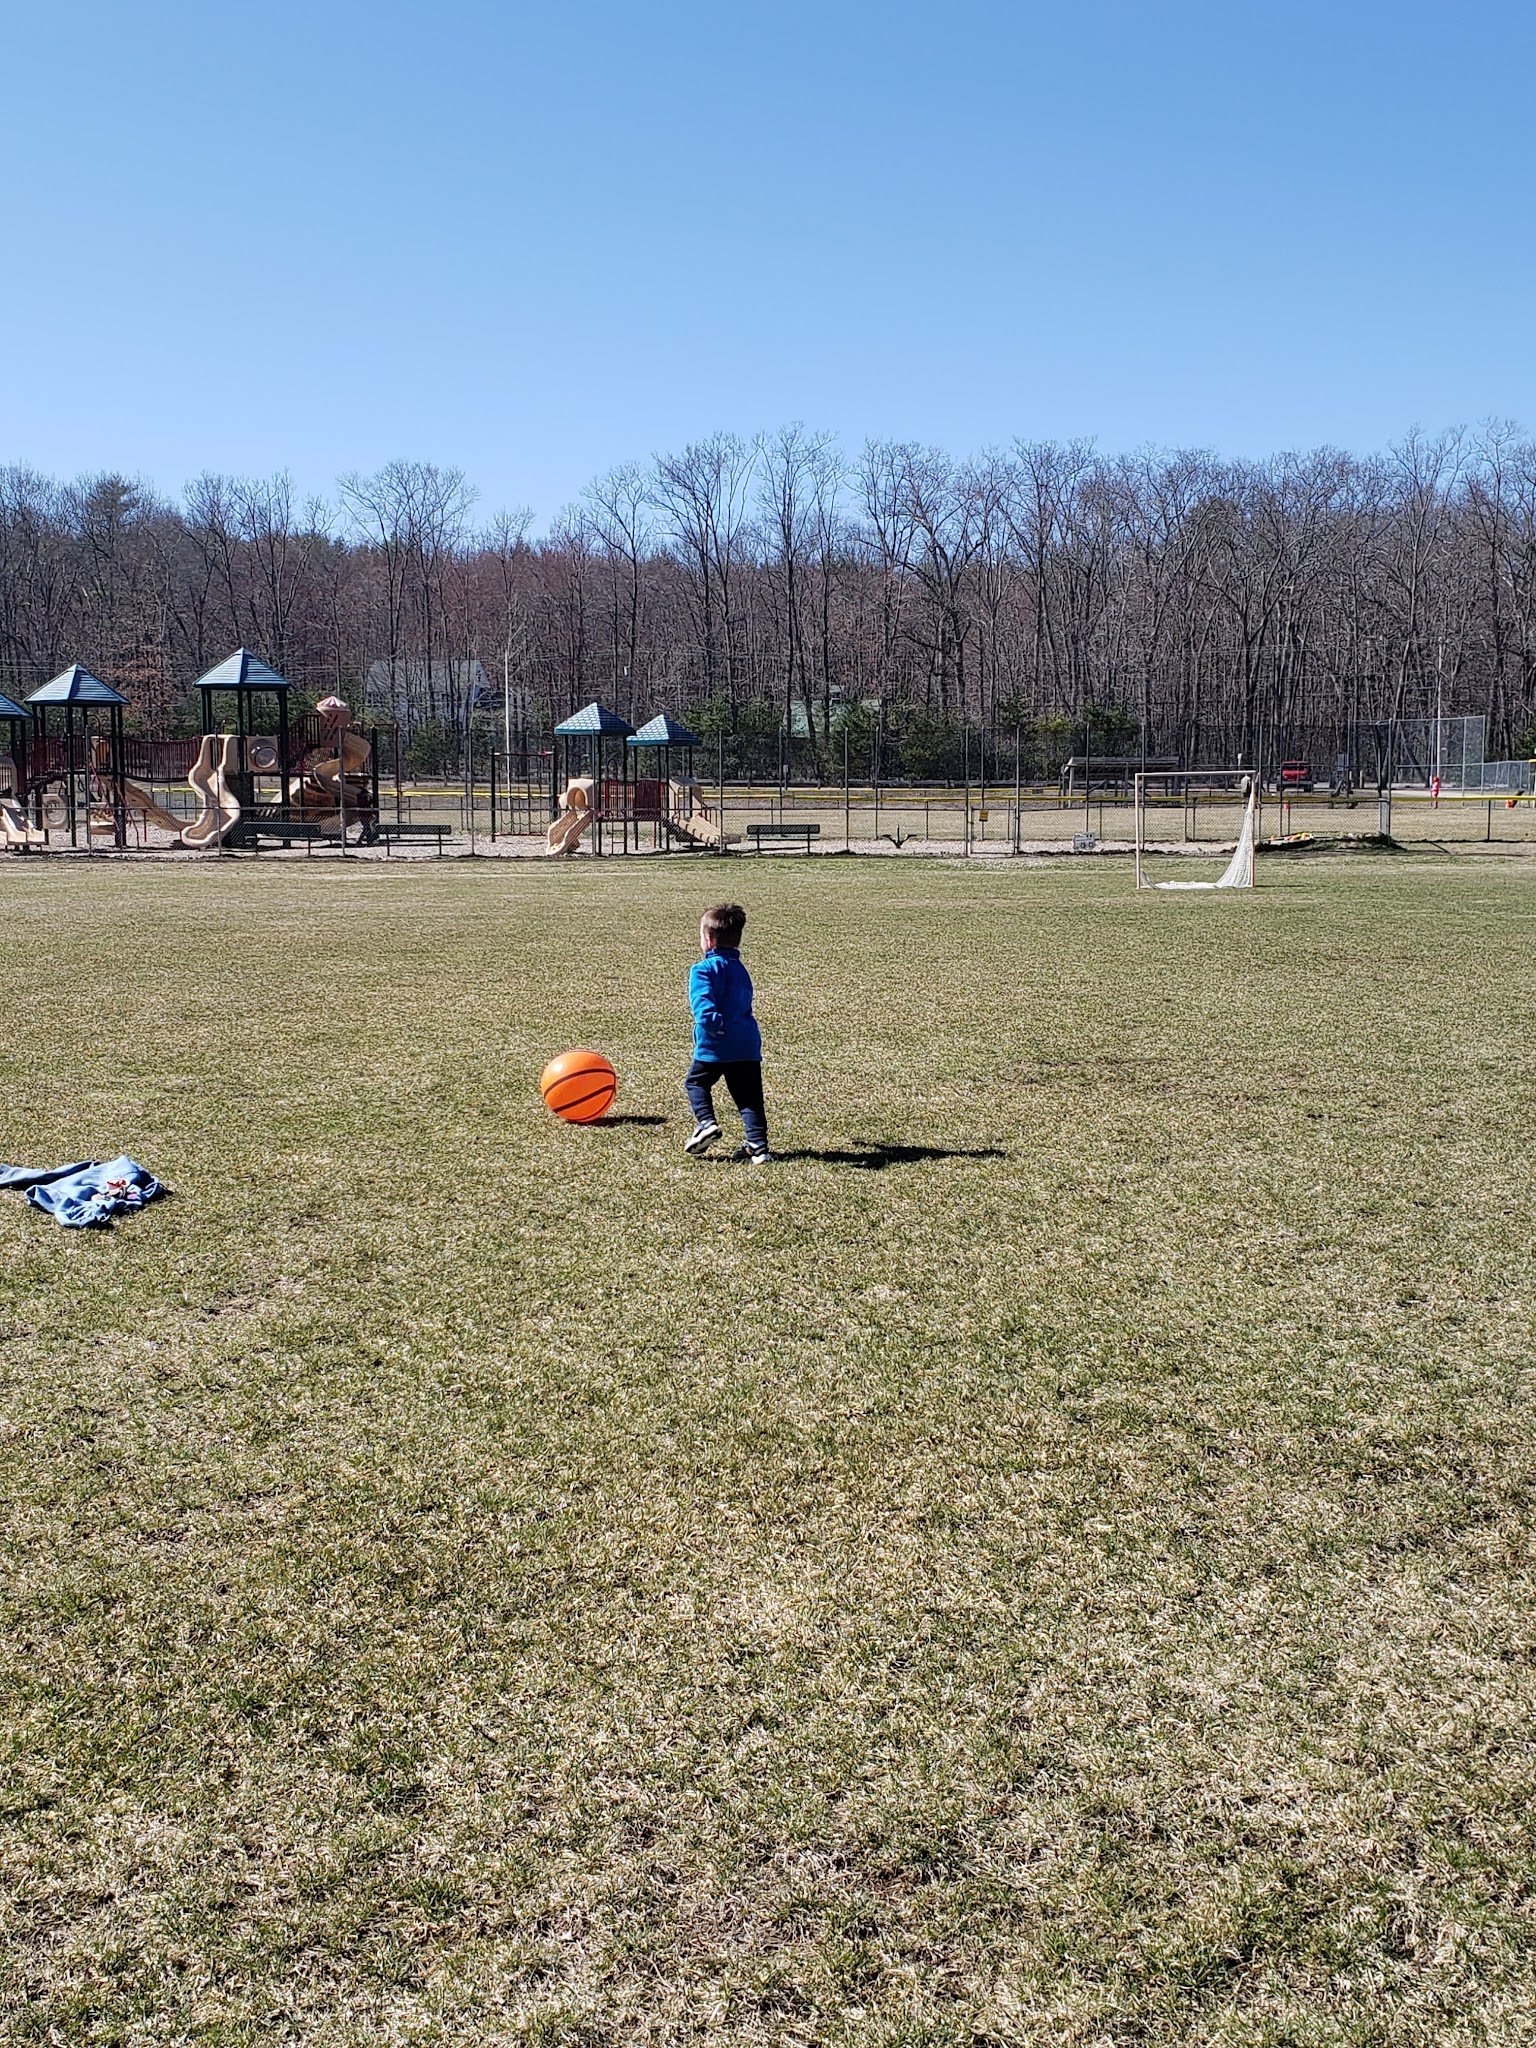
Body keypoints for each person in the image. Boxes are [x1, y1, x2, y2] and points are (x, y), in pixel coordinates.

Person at [683, 902, 771, 1164]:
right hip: (746, 1044)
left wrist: (713, 1025)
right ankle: (759, 1149)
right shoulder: (739, 969)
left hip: (716, 1043)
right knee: (749, 1098)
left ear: (709, 941)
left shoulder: (702, 970)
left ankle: (706, 1123)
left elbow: (703, 1008)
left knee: (696, 1082)